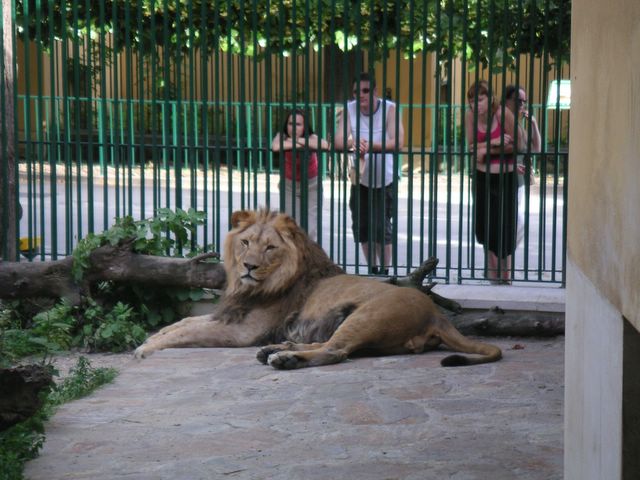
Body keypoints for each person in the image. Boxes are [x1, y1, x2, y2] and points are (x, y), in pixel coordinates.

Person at [334, 72, 405, 275]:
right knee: (362, 226)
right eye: (356, 92)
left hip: (385, 178)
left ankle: (385, 270)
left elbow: (398, 142)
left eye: (365, 91)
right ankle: (372, 269)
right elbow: (338, 141)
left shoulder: (390, 109)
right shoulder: (350, 109)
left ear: (375, 91)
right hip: (360, 178)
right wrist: (355, 143)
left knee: (382, 227)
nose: (361, 96)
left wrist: (371, 146)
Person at [465, 80, 518, 284]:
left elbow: (516, 144)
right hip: (482, 177)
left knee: (505, 227)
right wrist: (493, 142)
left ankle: (506, 276)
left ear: (490, 99)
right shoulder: (470, 117)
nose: (475, 105)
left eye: (480, 100)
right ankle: (493, 276)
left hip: (505, 177)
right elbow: (471, 147)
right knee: (484, 227)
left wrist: (486, 151)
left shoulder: (502, 114)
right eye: (472, 101)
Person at [271, 109, 329, 242]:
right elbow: (275, 146)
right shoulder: (282, 136)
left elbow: (325, 145)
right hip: (289, 186)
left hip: (312, 185)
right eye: (291, 124)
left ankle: (307, 254)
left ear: (304, 126)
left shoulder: (312, 137)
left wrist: (296, 141)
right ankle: (294, 254)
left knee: (310, 229)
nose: (294, 128)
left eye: (298, 124)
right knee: (291, 228)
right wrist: (299, 143)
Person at [505, 85, 541, 247]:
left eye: (524, 101)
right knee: (515, 223)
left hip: (518, 182)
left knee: (515, 224)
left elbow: (536, 148)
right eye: (518, 101)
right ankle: (503, 256)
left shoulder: (518, 125)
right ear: (507, 101)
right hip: (504, 180)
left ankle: (505, 256)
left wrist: (533, 123)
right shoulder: (501, 122)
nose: (522, 104)